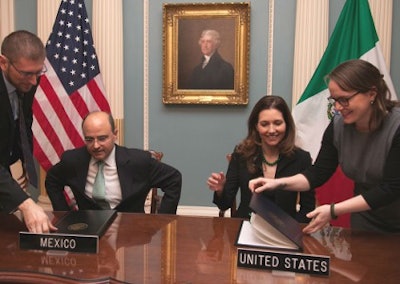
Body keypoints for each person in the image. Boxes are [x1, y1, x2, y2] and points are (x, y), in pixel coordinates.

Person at [249, 59, 400, 234]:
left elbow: (391, 188)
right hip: (366, 218)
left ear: (372, 93)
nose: (337, 108)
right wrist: (276, 183)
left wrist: (333, 210)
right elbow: (317, 173)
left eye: (344, 100)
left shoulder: (396, 127)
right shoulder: (338, 125)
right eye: (334, 100)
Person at [45, 111, 182, 214]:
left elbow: (174, 179)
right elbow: (52, 180)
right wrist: (63, 214)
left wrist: (164, 219)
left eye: (102, 138)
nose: (96, 145)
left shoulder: (138, 161)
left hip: (131, 235)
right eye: (89, 140)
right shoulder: (73, 160)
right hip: (89, 230)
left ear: (115, 134)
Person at [207, 95, 315, 222]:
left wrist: (293, 230)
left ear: (287, 124)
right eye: (264, 124)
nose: (271, 130)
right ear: (256, 126)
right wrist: (220, 189)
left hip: (285, 233)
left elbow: (308, 209)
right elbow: (224, 204)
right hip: (246, 228)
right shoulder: (241, 154)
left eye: (277, 123)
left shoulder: (301, 158)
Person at [0, 30, 56, 233]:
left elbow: (20, 125)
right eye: (26, 73)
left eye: (38, 72)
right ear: (3, 62)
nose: (33, 82)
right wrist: (25, 203)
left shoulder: (28, 80)